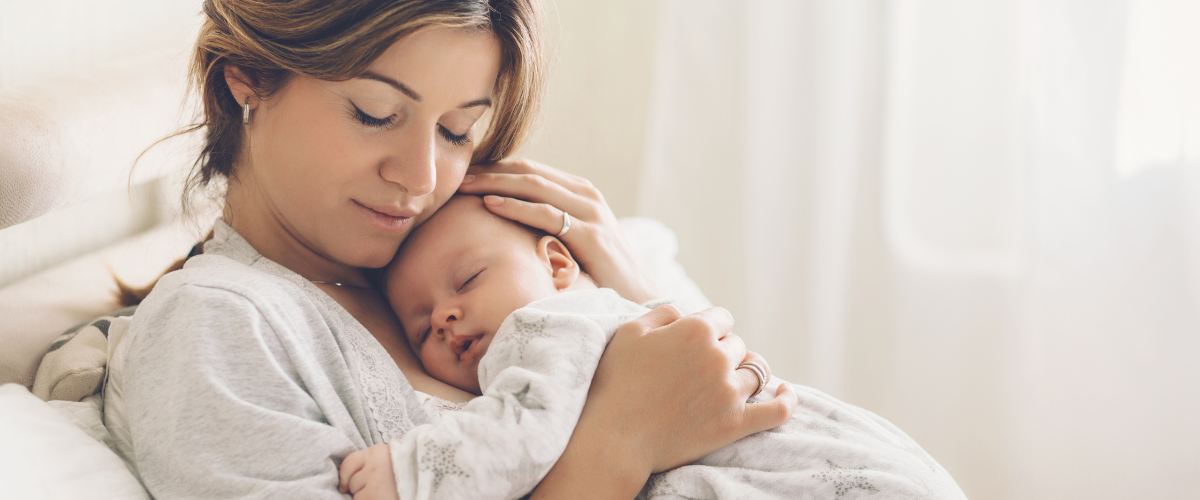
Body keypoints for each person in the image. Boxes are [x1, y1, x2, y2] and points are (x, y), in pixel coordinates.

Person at [103, 1, 795, 499]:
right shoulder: (216, 325)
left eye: (459, 131)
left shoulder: (478, 256)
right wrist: (618, 442)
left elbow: (746, 420)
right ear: (246, 76)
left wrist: (627, 291)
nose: (422, 179)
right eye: (374, 114)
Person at [336, 195, 967, 500]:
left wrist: (411, 470)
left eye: (468, 281)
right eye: (421, 327)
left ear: (558, 265)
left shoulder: (548, 327)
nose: (444, 316)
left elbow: (517, 431)